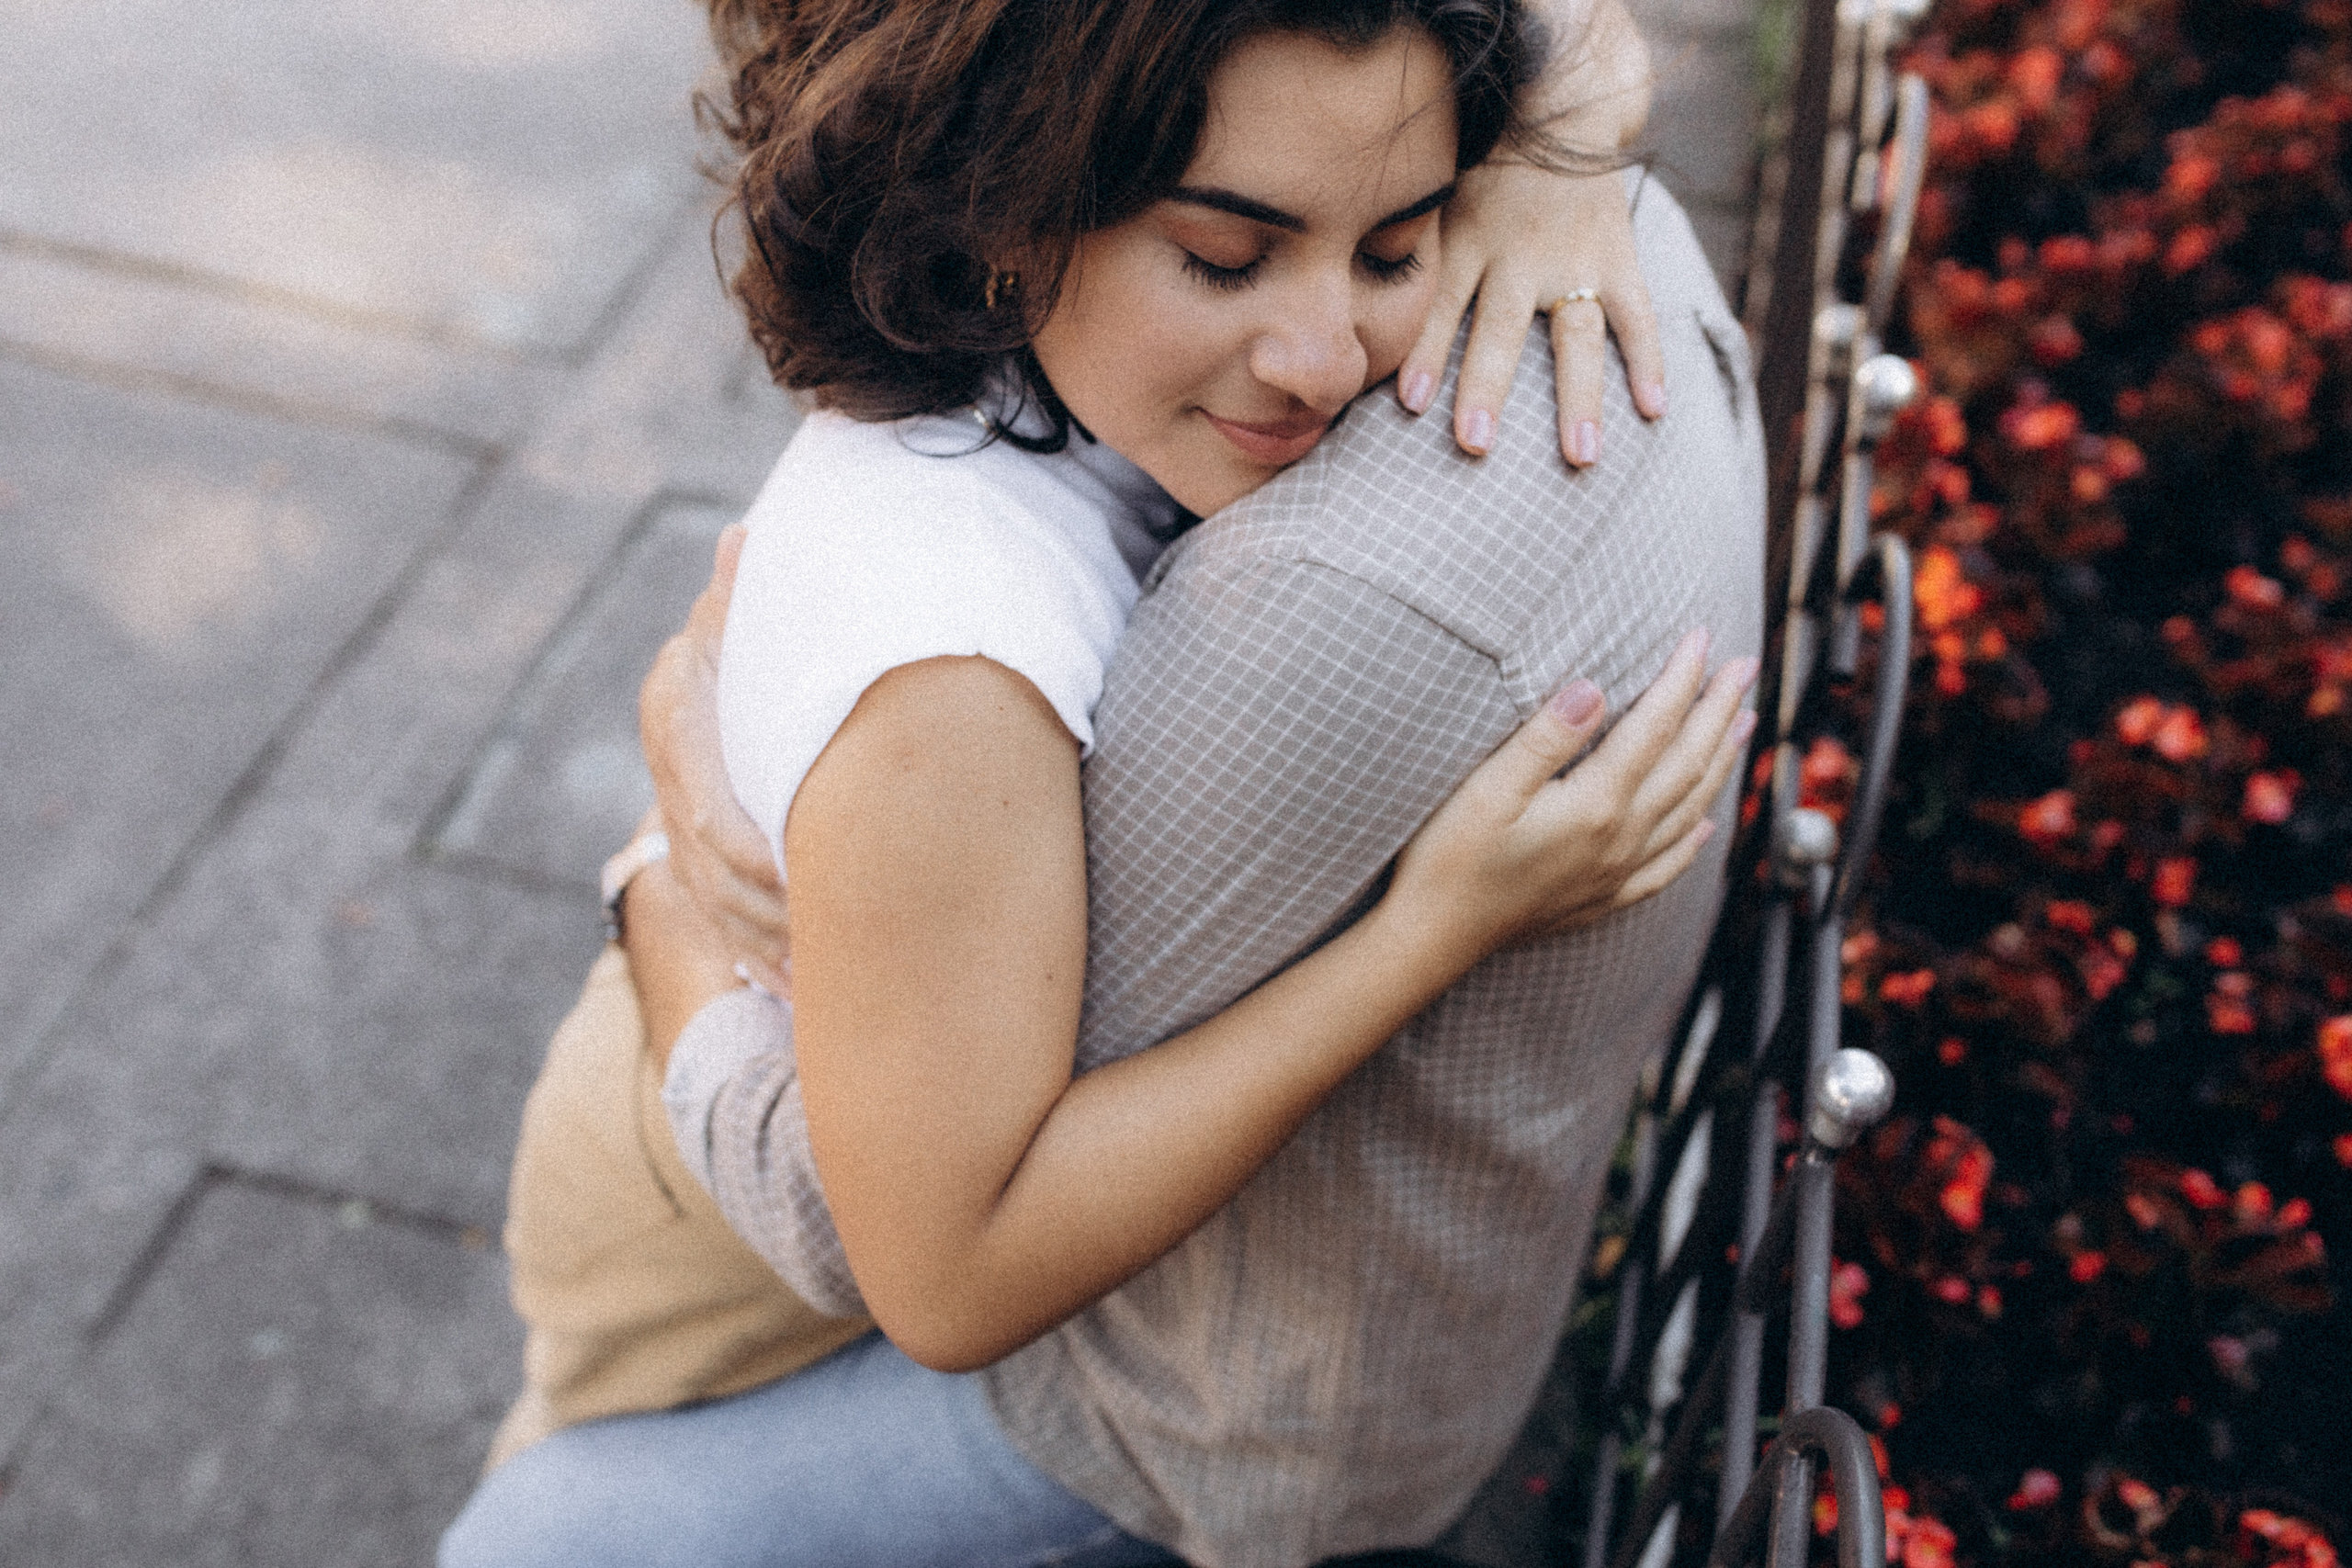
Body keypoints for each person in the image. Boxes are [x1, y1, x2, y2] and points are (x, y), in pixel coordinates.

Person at [443, 3, 1765, 1565]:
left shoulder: (1077, 341)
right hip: (672, 1229)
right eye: (1226, 258)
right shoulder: (951, 664)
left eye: (1398, 246)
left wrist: (1555, 160)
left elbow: (1574, 34)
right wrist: (1430, 932)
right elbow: (947, 1280)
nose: (1325, 355)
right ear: (1009, 211)